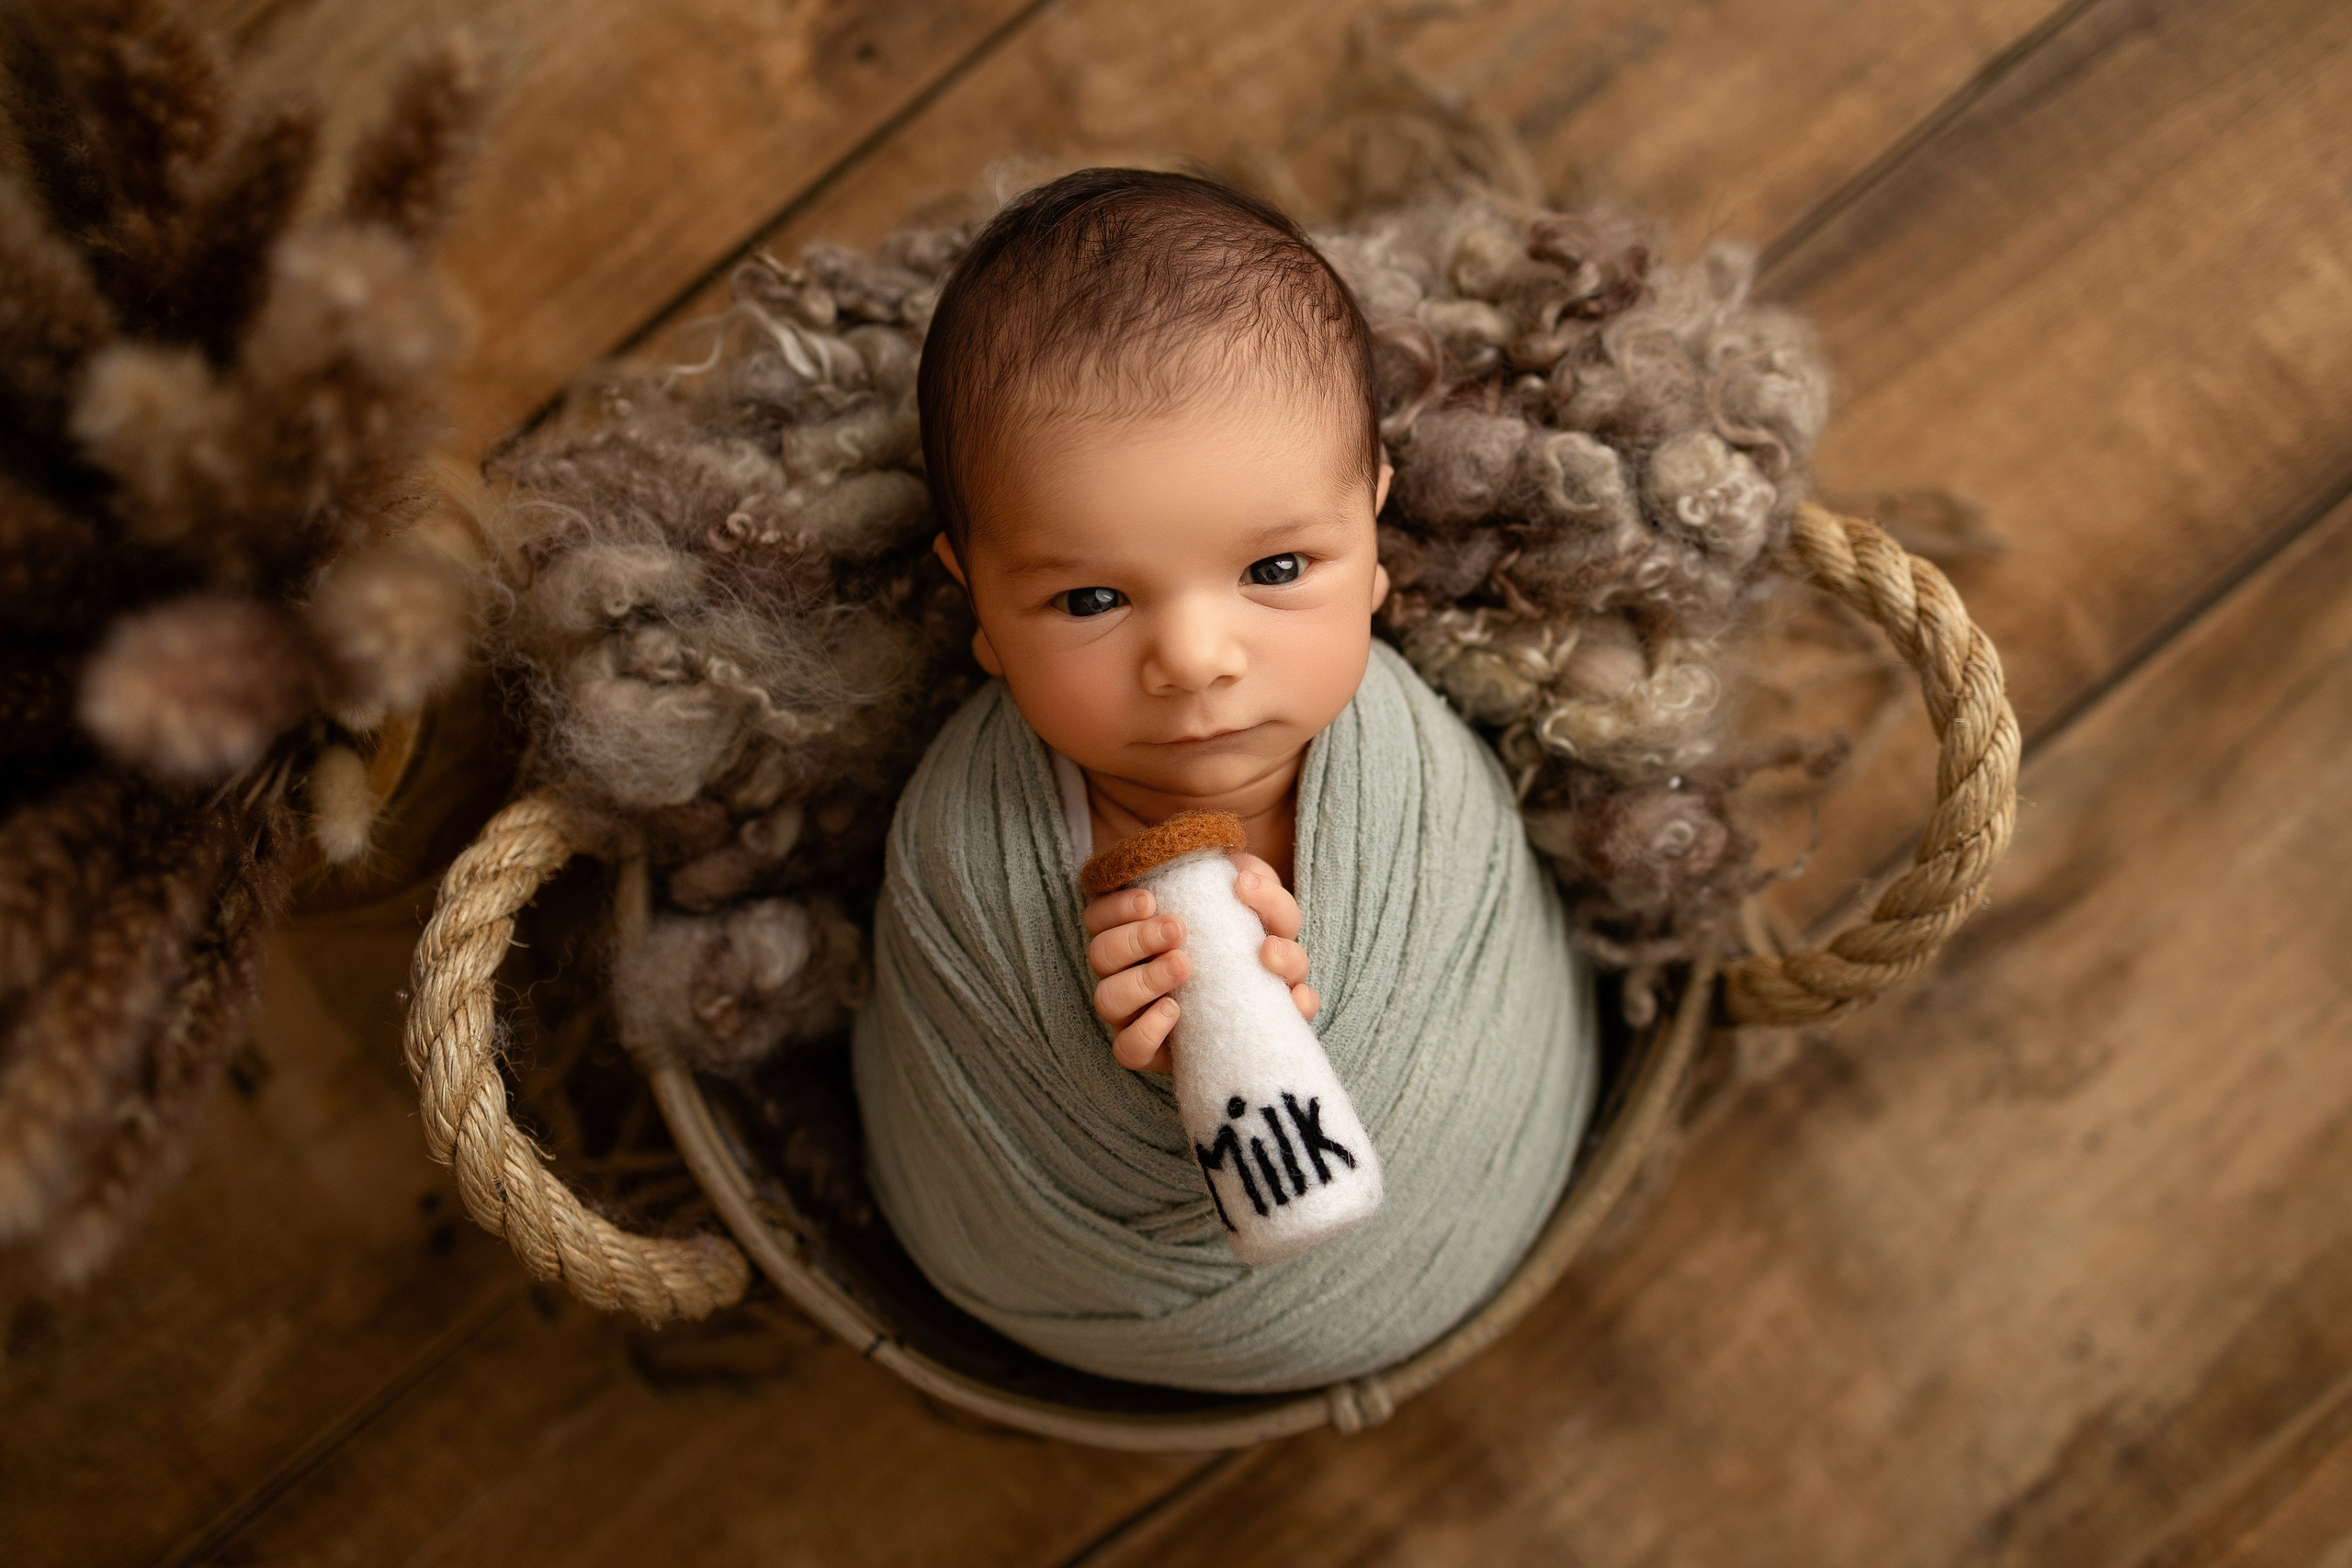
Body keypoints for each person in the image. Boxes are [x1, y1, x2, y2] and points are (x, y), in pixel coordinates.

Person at [853, 168, 1594, 1392]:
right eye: (1091, 599)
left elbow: (1493, 945)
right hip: (1066, 1291)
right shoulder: (958, 842)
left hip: (1467, 1197)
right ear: (975, 600)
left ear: (1372, 542)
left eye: (1278, 566)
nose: (1195, 660)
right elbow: (972, 1072)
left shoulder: (1418, 775)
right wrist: (1137, 1071)